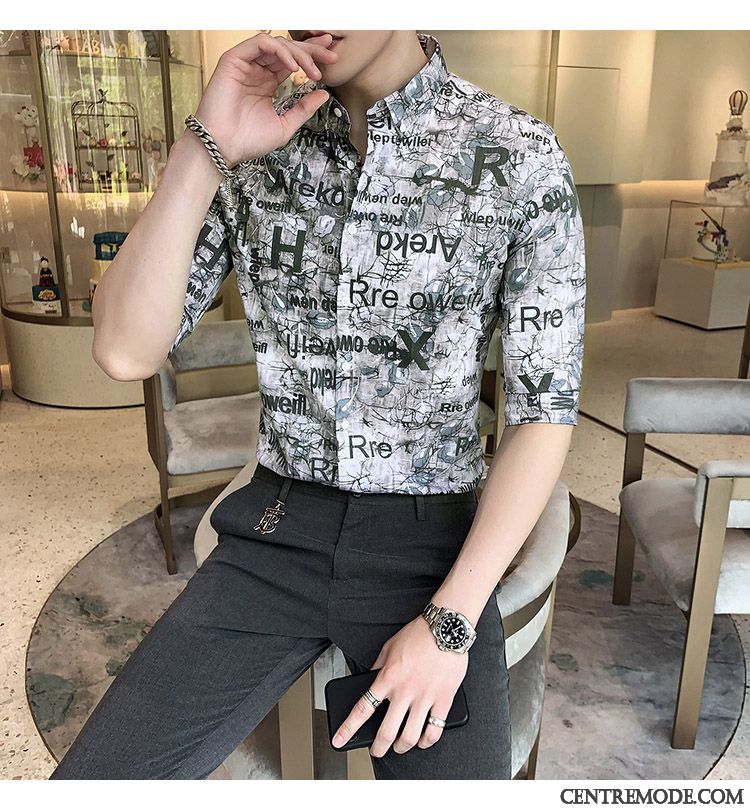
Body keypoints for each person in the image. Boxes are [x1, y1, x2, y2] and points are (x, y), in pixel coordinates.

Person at [50, 29, 585, 780]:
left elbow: (542, 412)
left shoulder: (518, 154)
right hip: (276, 528)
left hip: (430, 545)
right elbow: (124, 352)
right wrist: (205, 148)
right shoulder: (257, 147)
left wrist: (452, 620)